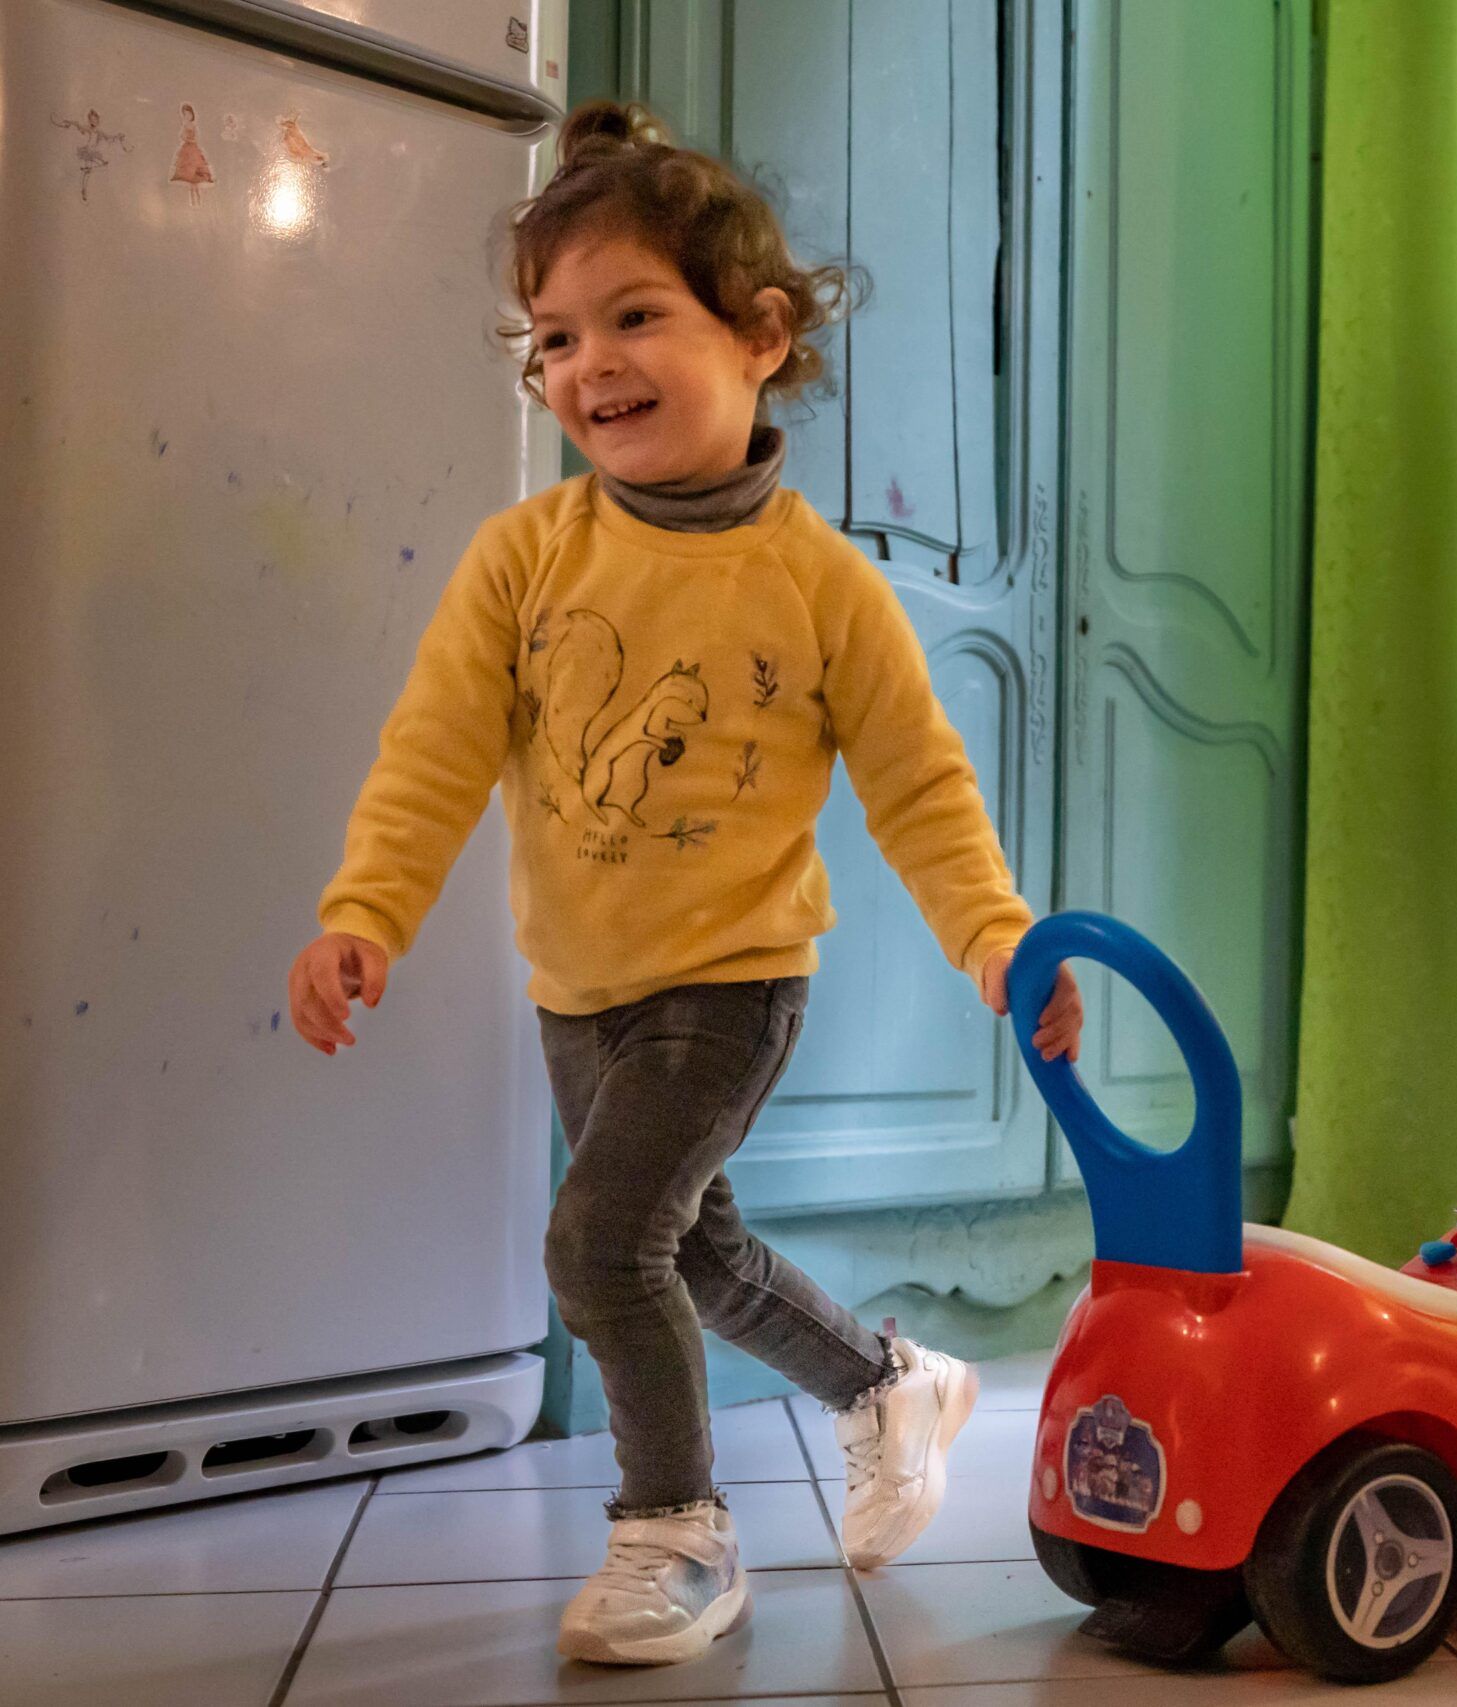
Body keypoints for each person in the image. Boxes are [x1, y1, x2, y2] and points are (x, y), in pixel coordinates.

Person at [284, 101, 1082, 1667]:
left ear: (762, 333)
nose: (590, 364)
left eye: (635, 315)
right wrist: (363, 910)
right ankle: (886, 1382)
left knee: (597, 1248)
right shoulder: (523, 561)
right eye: (555, 336)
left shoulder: (818, 579)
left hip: (732, 980)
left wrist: (992, 930)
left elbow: (921, 783)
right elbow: (434, 750)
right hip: (577, 985)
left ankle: (675, 1531)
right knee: (687, 1246)